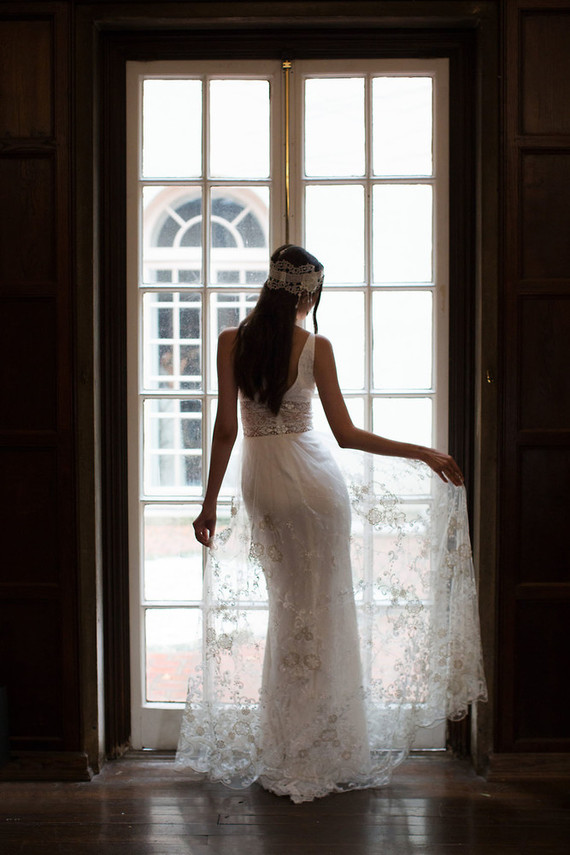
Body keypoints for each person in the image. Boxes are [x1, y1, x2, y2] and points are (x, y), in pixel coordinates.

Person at [176, 244, 486, 803]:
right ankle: (325, 747)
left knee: (289, 613)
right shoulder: (314, 346)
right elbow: (345, 435)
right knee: (323, 611)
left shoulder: (230, 341)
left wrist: (208, 504)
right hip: (314, 486)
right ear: (309, 293)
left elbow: (225, 431)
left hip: (263, 483)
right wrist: (424, 452)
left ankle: (290, 748)